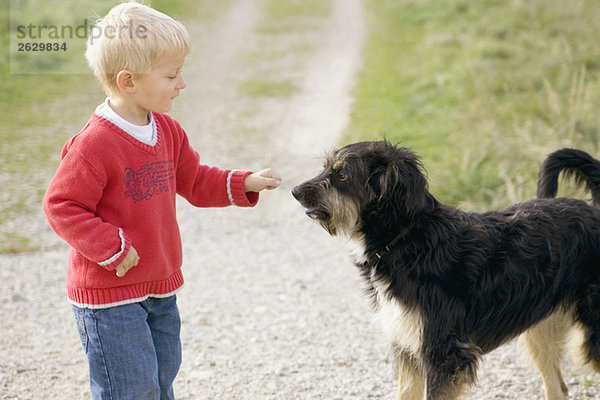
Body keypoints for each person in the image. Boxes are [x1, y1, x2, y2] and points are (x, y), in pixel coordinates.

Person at [42, 2, 281, 399]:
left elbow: (194, 179)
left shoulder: (167, 130)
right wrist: (112, 248)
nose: (182, 83)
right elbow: (60, 205)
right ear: (128, 81)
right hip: (109, 296)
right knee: (132, 389)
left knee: (161, 381)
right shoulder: (95, 144)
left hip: (159, 287)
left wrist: (244, 183)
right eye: (171, 75)